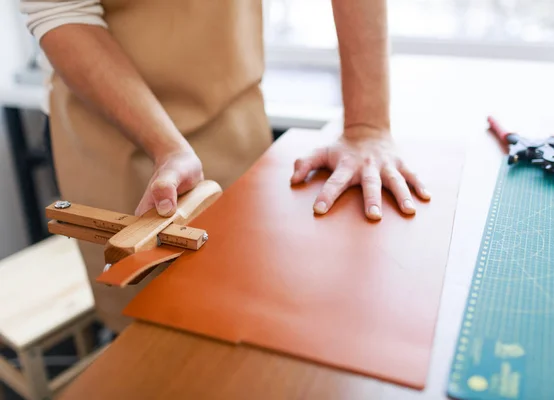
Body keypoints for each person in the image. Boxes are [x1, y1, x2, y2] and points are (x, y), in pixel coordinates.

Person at [19, 0, 430, 333]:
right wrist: (167, 146)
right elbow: (61, 12)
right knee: (156, 350)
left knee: (255, 315)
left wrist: (367, 125)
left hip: (235, 121)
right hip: (117, 137)